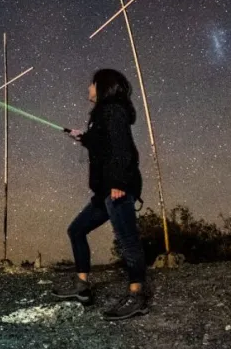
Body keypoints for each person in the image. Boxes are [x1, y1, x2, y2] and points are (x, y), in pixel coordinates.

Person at [53, 68, 149, 320]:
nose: (88, 88)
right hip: (104, 189)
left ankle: (137, 295)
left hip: (118, 187)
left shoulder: (113, 110)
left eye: (92, 84)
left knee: (127, 240)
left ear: (103, 86)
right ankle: (82, 287)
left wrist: (118, 183)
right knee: (76, 230)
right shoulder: (101, 115)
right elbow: (102, 143)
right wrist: (82, 137)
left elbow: (122, 149)